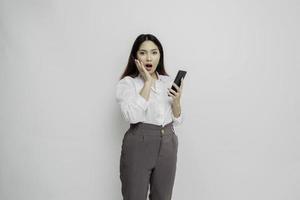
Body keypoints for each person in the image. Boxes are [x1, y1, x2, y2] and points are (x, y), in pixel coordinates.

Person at [115, 33, 184, 200]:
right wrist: (147, 82)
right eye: (143, 52)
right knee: (134, 196)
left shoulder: (168, 82)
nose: (149, 58)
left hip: (168, 143)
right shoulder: (128, 83)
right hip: (139, 143)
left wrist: (176, 101)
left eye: (154, 52)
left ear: (160, 56)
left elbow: (178, 120)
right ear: (135, 57)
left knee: (163, 197)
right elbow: (132, 116)